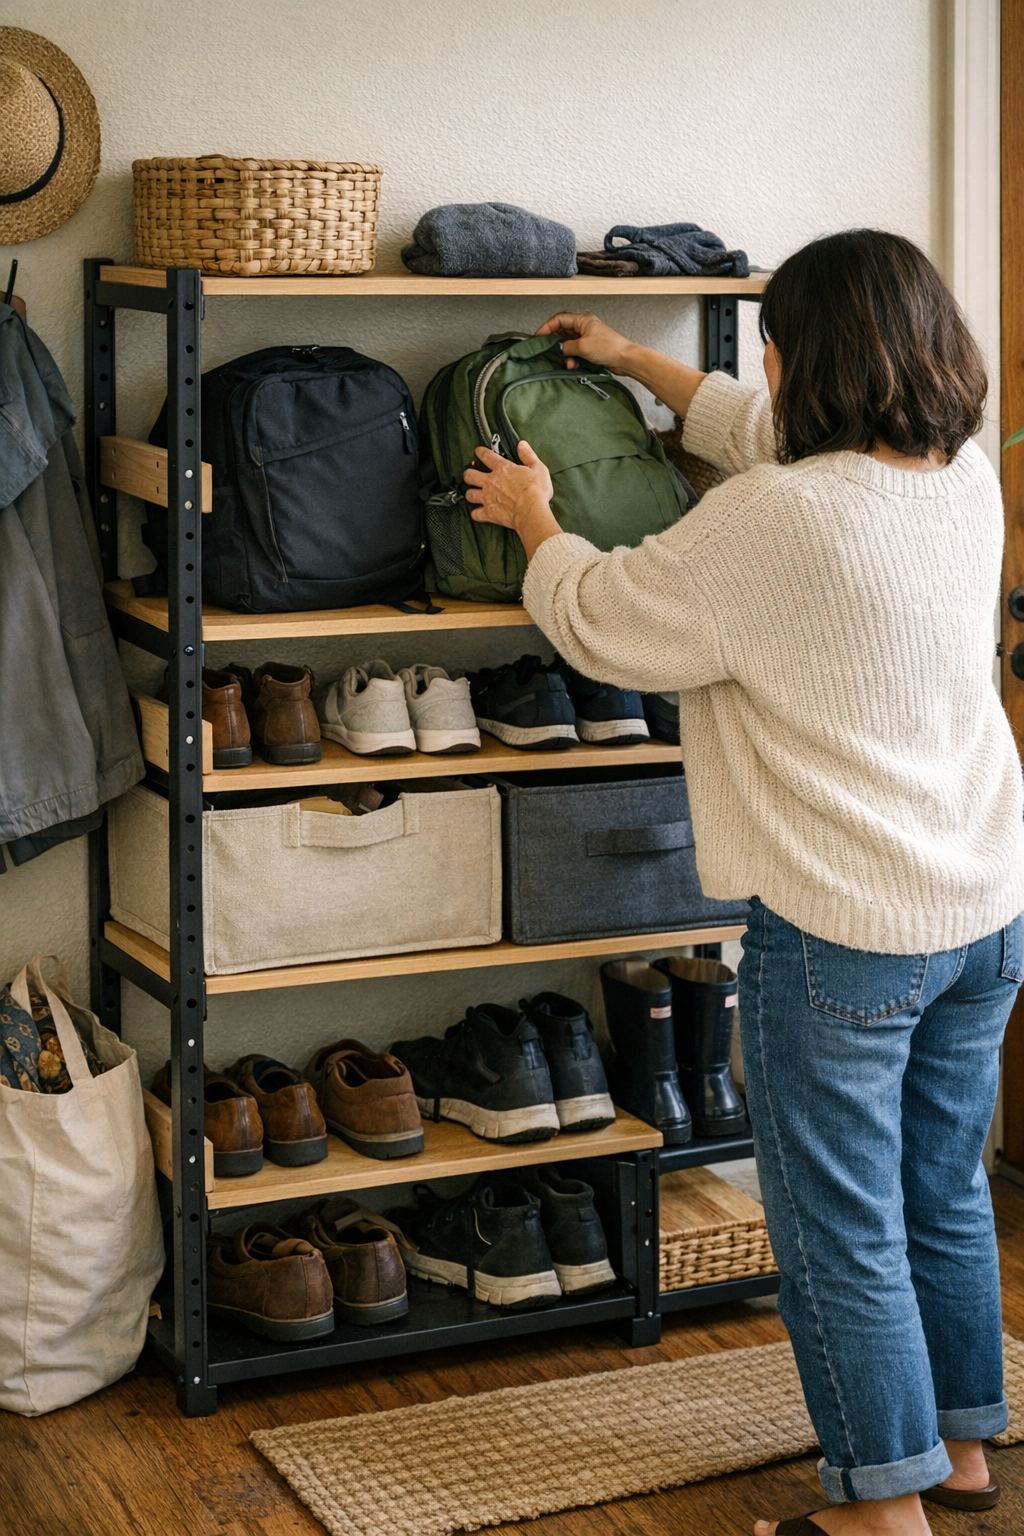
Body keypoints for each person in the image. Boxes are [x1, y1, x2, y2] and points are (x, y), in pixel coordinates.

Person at [463, 229, 1024, 1536]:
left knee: (836, 1228)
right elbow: (762, 428)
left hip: (841, 931)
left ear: (795, 353)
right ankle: (958, 1453)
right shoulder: (961, 477)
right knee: (938, 1187)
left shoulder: (779, 519)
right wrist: (635, 362)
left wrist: (536, 522)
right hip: (984, 906)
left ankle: (875, 1514)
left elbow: (606, 618)